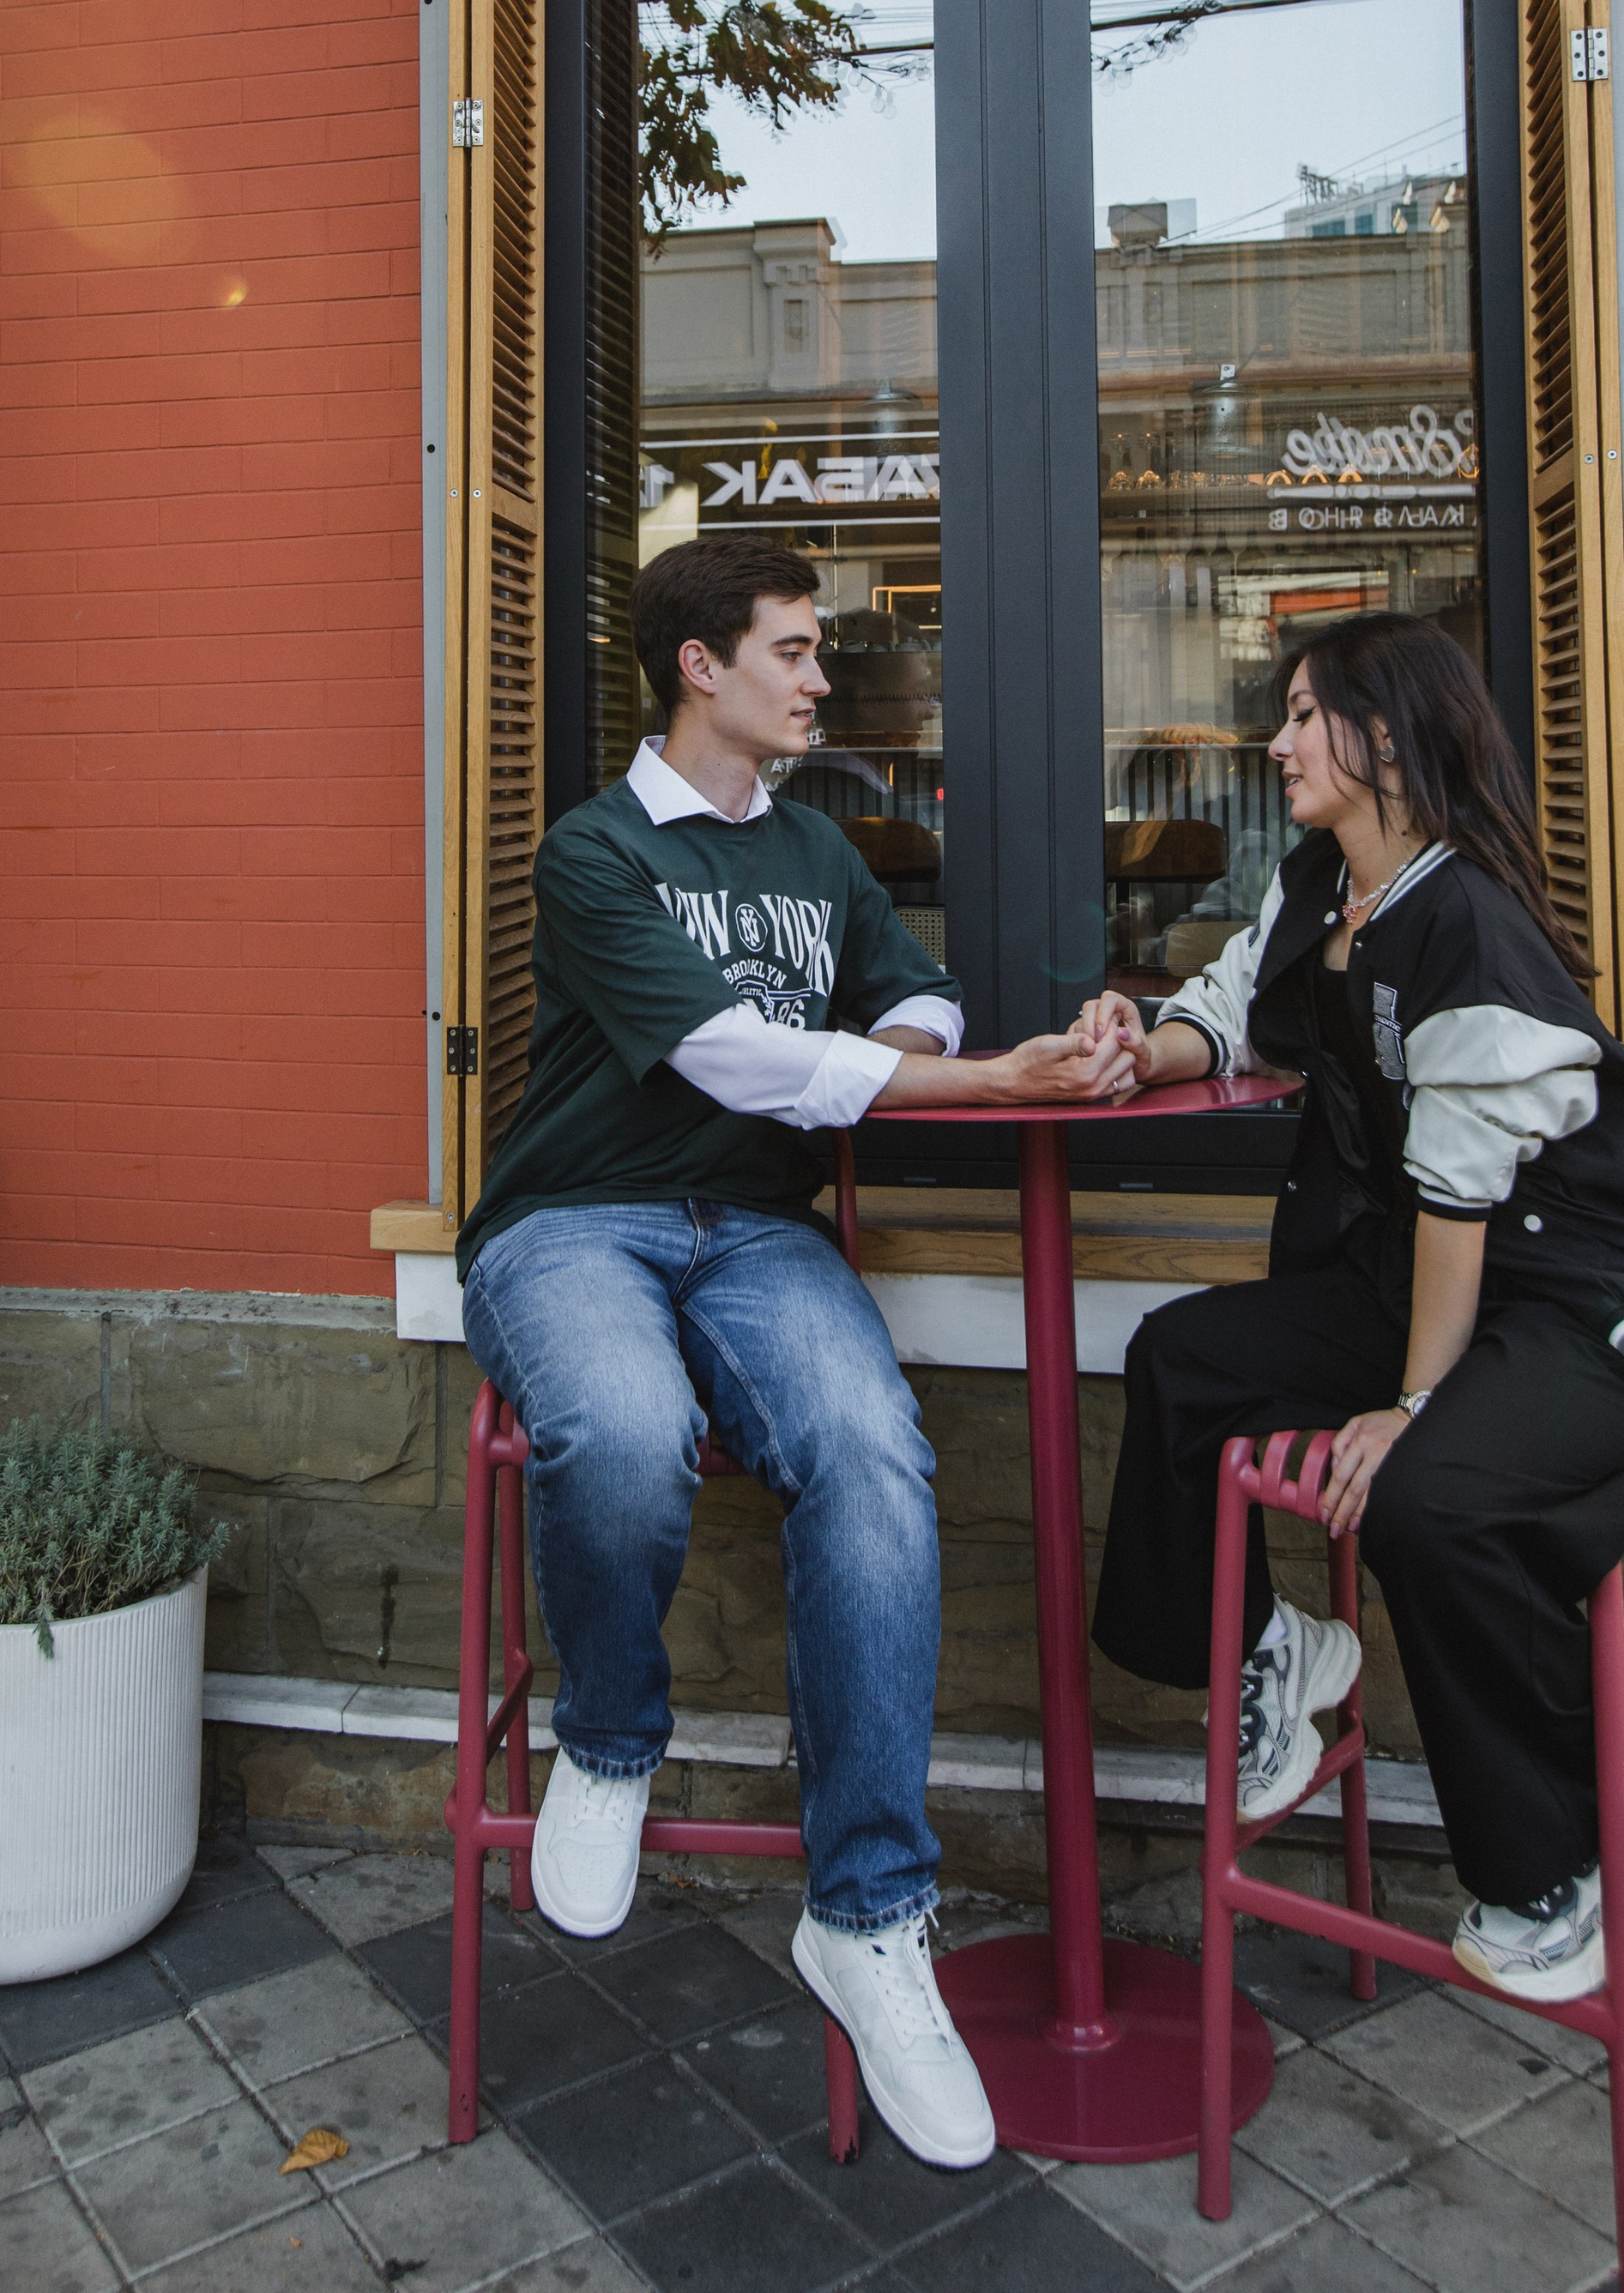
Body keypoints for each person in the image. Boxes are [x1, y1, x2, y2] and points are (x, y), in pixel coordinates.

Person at [458, 534, 1135, 2167]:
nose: (822, 678)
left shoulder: (820, 858)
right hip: (576, 1222)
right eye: (796, 649)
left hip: (758, 1237)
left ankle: (868, 1917)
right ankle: (611, 1740)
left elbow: (921, 1002)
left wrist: (937, 1044)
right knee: (617, 1433)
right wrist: (985, 1087)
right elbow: (730, 1060)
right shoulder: (594, 852)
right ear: (702, 666)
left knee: (873, 1454)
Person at [1082, 611, 1624, 2006]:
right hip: (1431, 1283)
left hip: (1592, 1306)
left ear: (1385, 737)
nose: (1280, 741)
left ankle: (1585, 1837)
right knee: (1181, 1358)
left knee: (1426, 1499)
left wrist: (1415, 1406)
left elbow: (1460, 1201)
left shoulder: (1468, 922)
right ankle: (1275, 1648)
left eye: (1307, 715)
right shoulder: (1324, 883)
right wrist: (1149, 1051)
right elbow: (1234, 1007)